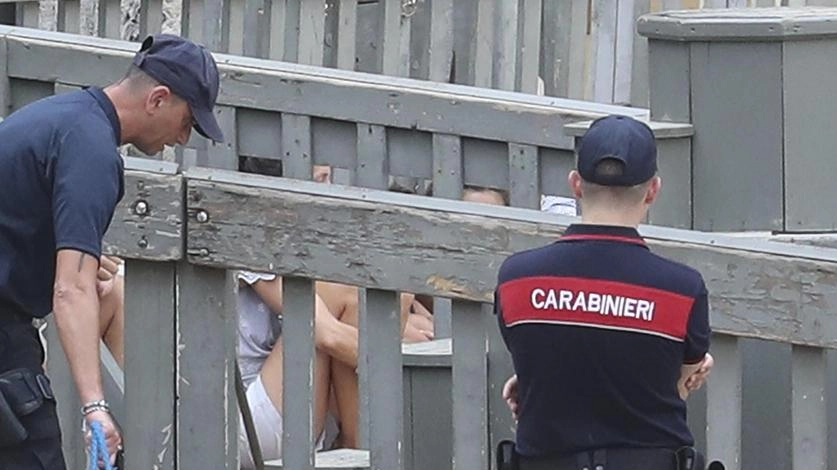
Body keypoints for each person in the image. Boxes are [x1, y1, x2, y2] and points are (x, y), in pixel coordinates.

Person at [0, 34, 223, 469]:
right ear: (158, 99)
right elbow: (73, 289)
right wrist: (94, 409)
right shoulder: (92, 152)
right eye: (187, 121)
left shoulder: (63, 117)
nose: (183, 139)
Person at [494, 115, 713, 470]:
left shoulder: (517, 279)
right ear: (653, 190)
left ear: (576, 185)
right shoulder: (682, 290)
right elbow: (675, 386)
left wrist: (538, 383)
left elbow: (558, 345)